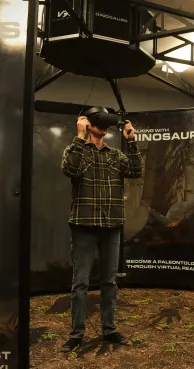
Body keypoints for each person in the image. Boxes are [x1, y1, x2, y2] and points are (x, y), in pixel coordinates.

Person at [60, 115, 143, 352]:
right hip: (83, 226)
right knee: (81, 283)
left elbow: (136, 170)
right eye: (97, 122)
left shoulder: (116, 155)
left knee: (109, 281)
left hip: (111, 226)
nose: (102, 126)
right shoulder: (76, 149)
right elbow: (70, 169)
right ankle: (76, 334)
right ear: (87, 125)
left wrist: (131, 141)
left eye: (105, 123)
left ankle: (109, 329)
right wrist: (79, 136)